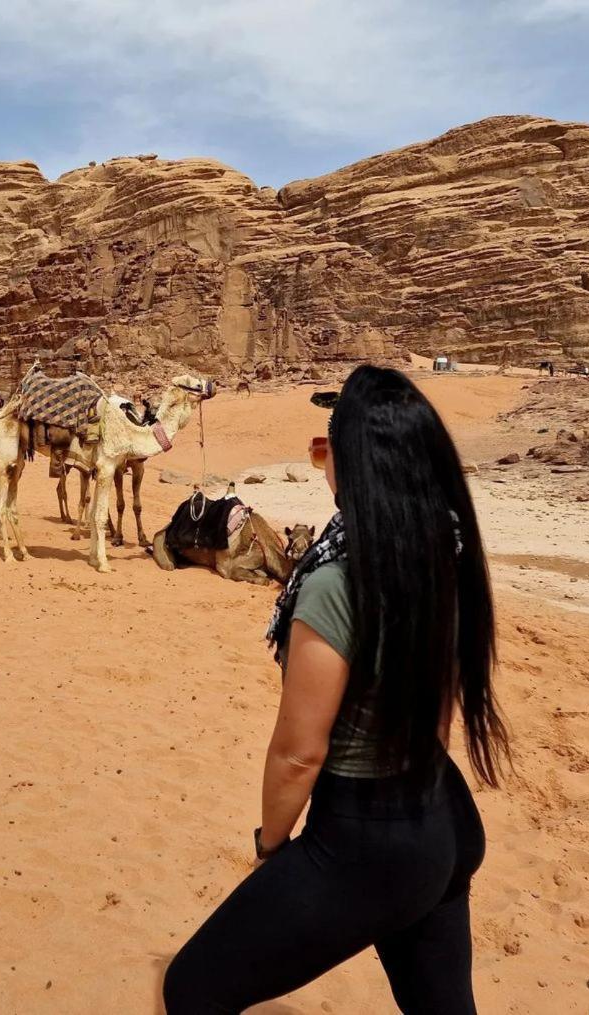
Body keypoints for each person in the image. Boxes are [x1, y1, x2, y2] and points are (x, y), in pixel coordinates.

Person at [163, 365, 510, 1014]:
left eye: (326, 444)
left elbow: (299, 752)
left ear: (348, 459)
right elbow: (441, 706)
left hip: (368, 837)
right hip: (444, 814)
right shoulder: (443, 542)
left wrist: (272, 845)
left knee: (191, 989)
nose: (321, 458)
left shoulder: (335, 577)